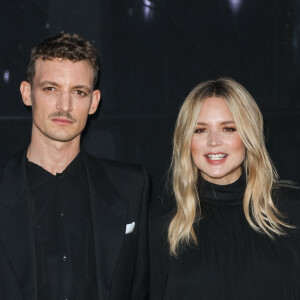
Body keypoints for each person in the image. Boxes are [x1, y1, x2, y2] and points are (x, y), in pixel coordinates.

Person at [0, 32, 149, 300]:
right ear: (26, 93)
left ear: (93, 102)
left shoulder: (130, 187)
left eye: (78, 92)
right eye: (50, 88)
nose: (64, 105)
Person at [150, 78, 300, 299]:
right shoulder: (163, 226)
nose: (214, 142)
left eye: (228, 128)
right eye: (200, 130)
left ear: (249, 135)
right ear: (186, 140)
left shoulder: (291, 211)